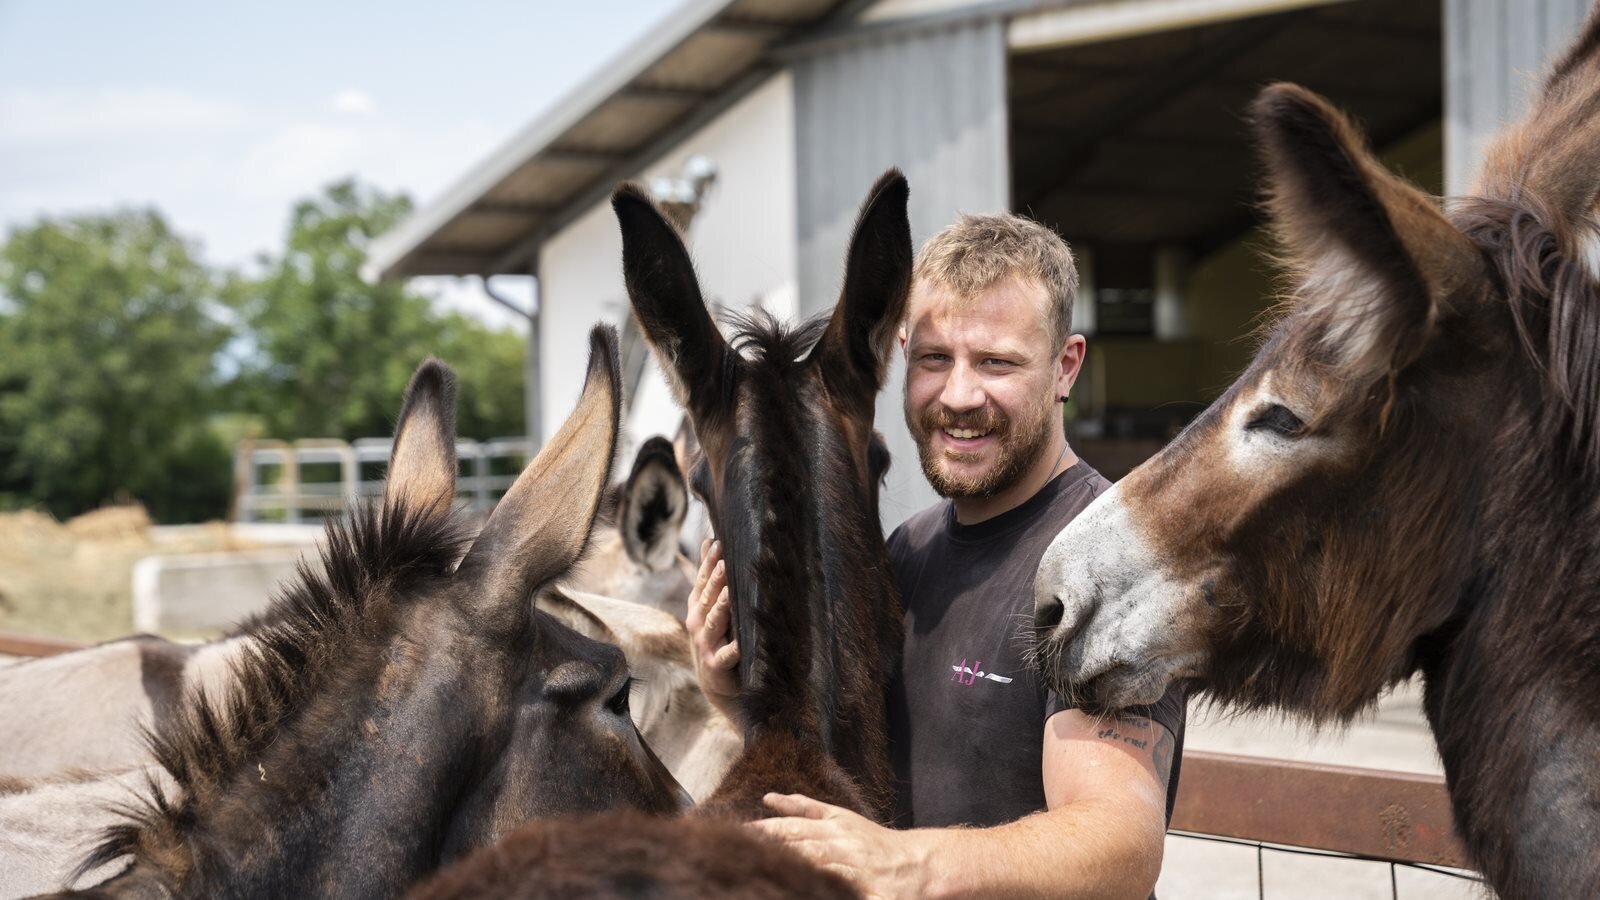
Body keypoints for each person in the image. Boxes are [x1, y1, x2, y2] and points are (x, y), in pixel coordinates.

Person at [687, 213, 1186, 899]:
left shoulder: (1106, 569)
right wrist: (726, 693)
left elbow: (1120, 844)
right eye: (934, 360)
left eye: (996, 362)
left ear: (1065, 366)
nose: (958, 396)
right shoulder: (906, 552)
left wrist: (906, 862)